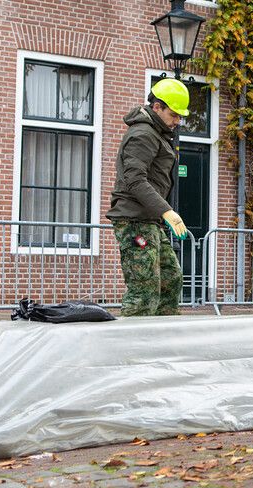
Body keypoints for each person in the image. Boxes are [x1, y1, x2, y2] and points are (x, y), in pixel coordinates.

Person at [106, 78, 191, 317]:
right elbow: (135, 180)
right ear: (157, 107)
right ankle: (131, 347)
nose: (178, 121)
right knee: (144, 288)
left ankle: (162, 339)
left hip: (149, 220)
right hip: (134, 221)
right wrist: (167, 211)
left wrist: (160, 214)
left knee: (170, 278)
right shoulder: (143, 134)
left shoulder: (157, 133)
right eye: (174, 115)